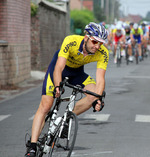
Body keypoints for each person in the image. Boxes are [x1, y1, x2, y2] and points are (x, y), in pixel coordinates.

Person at [24, 22, 109, 157]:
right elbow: (59, 67)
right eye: (94, 42)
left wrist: (98, 98)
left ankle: (65, 120)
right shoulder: (71, 41)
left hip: (77, 73)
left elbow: (100, 79)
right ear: (86, 37)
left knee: (93, 96)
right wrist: (58, 85)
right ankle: (32, 147)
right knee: (46, 105)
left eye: (101, 43)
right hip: (58, 70)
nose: (97, 46)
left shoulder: (103, 53)